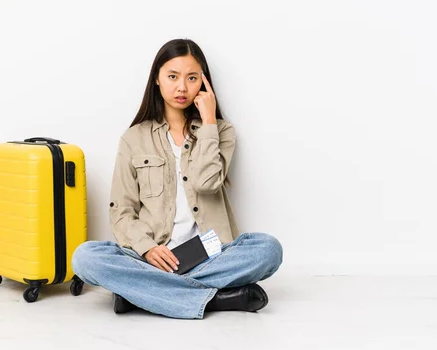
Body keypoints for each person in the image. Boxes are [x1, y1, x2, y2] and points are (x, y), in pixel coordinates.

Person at [71, 38, 283, 319]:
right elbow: (121, 211)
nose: (182, 87)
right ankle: (216, 300)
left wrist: (208, 122)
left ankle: (141, 296)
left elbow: (206, 183)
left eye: (192, 78)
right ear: (157, 79)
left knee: (269, 249)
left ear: (203, 83)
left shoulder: (222, 132)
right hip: (152, 258)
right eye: (172, 77)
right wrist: (147, 249)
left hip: (212, 255)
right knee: (85, 257)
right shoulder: (134, 138)